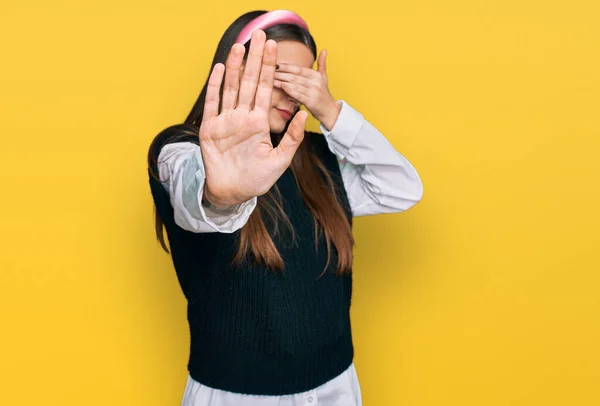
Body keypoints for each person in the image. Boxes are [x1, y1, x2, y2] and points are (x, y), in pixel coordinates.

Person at [147, 9, 423, 406]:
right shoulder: (180, 150)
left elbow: (400, 188)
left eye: (302, 80)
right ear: (235, 68)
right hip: (236, 394)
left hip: (335, 385)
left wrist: (331, 112)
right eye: (275, 75)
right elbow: (197, 200)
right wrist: (223, 194)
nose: (291, 93)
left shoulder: (318, 156)